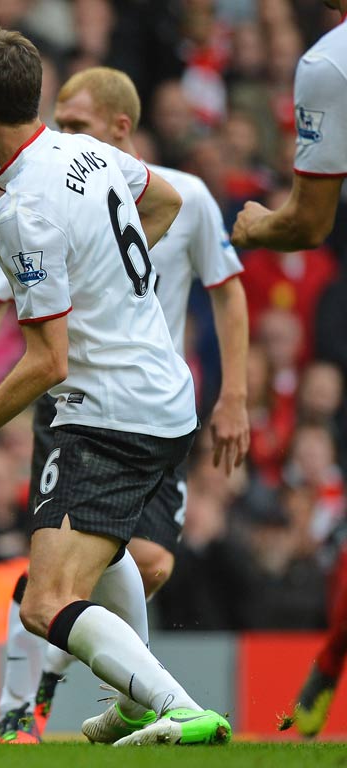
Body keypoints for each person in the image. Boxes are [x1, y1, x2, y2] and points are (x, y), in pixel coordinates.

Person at [0, 27, 231, 747]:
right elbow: (165, 206)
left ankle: (174, 706)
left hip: (107, 413)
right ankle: (132, 702)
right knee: (106, 558)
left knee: (45, 603)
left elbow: (46, 363)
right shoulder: (97, 153)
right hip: (165, 396)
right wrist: (112, 291)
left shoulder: (21, 210)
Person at [231, 1, 347, 740]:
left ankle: (330, 661)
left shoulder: (328, 62)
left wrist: (255, 224)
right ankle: (331, 661)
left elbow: (307, 223)